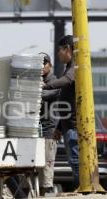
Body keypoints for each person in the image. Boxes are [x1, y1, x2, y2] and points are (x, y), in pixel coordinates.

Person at [43, 35, 79, 188]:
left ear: (68, 49)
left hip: (73, 127)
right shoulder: (69, 67)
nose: (58, 54)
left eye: (60, 50)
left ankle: (84, 191)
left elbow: (67, 81)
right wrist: (59, 127)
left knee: (77, 163)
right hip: (67, 126)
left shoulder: (75, 66)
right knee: (74, 162)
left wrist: (44, 86)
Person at [38, 53, 59, 195]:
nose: (41, 66)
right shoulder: (37, 81)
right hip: (35, 130)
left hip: (48, 130)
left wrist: (31, 88)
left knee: (47, 165)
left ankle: (48, 193)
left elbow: (43, 95)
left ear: (50, 65)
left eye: (44, 63)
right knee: (36, 165)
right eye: (38, 63)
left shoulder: (55, 82)